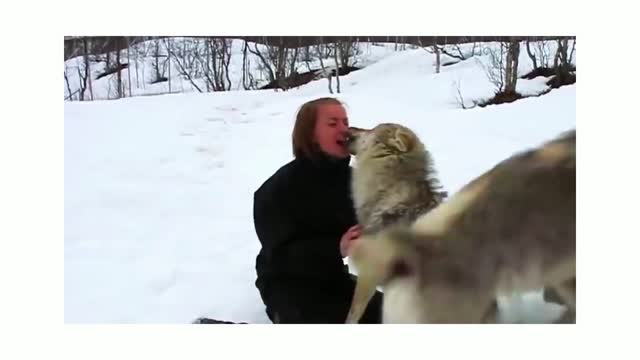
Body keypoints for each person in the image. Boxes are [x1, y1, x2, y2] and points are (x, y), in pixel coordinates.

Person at [253, 97, 383, 324]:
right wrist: (336, 247)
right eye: (333, 124)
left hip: (332, 278)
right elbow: (281, 257)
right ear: (311, 134)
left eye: (345, 122)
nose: (345, 130)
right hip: (288, 286)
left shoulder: (356, 181)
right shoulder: (277, 189)